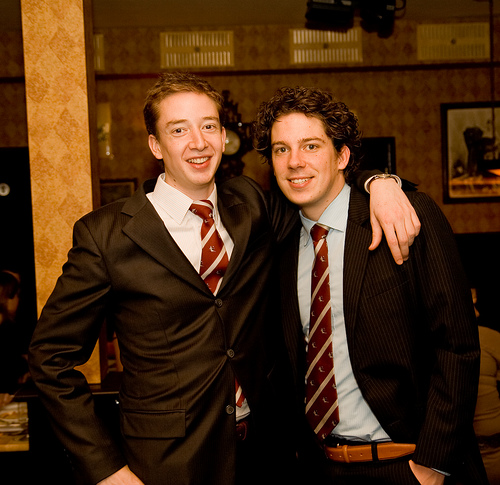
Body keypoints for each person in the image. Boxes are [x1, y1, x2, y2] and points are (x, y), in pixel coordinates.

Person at [28, 72, 419, 485]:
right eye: (179, 130)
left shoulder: (251, 205)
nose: (198, 142)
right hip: (168, 464)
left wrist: (380, 182)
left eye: (209, 126)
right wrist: (106, 469)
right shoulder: (107, 235)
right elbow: (49, 358)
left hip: (267, 456)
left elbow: (317, 178)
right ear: (156, 145)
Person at [252, 85, 488, 485]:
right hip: (320, 467)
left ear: (342, 156)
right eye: (281, 149)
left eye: (311, 146)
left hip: (408, 464)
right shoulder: (278, 242)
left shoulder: (404, 216)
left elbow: (458, 346)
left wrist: (432, 465)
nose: (294, 162)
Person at [473, 286, 500, 485]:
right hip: (457, 458)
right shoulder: (428, 344)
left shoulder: (489, 338)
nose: (477, 313)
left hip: (494, 453)